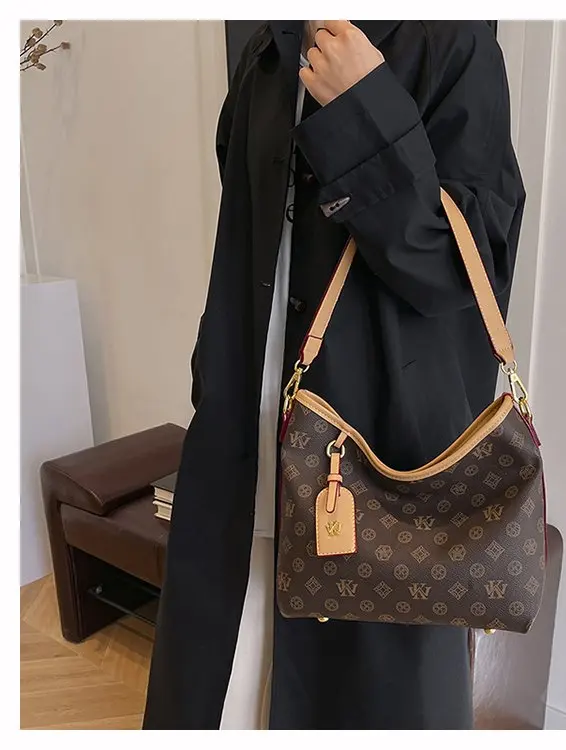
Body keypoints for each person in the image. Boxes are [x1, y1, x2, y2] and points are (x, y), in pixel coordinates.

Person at [144, 20, 525, 730]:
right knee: (219, 691)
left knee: (366, 700)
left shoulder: (451, 43)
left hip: (378, 464)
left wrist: (364, 110)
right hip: (246, 442)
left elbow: (462, 275)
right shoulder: (267, 52)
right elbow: (245, 240)